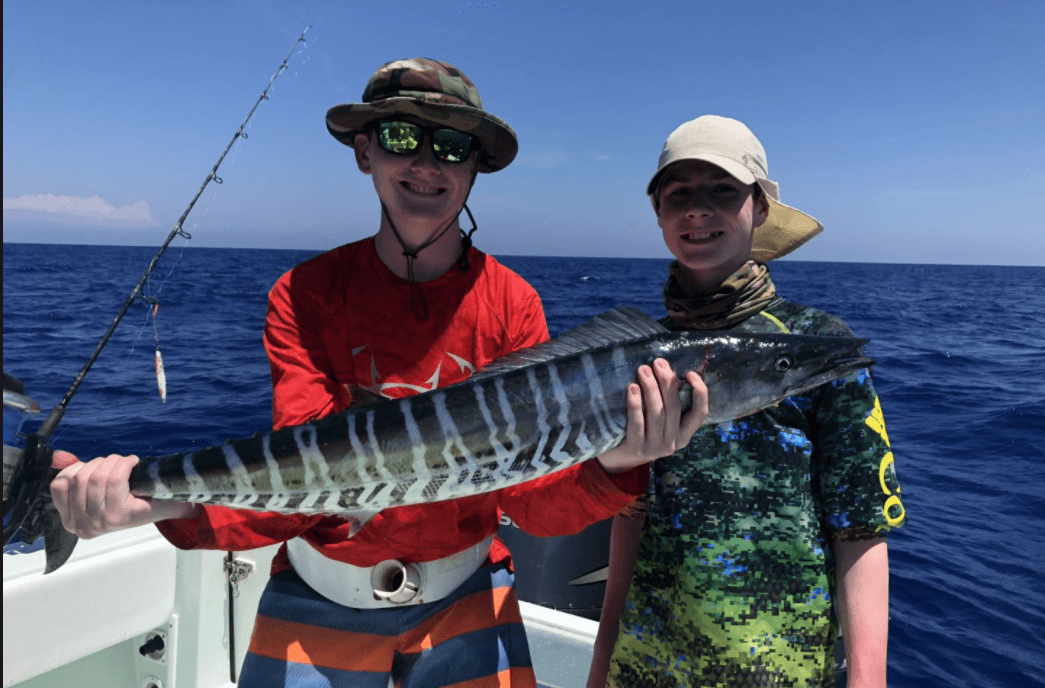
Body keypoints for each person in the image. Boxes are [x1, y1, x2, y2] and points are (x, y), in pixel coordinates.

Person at [48, 58, 707, 688]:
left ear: (475, 166)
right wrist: (163, 503)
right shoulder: (305, 294)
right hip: (317, 597)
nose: (425, 163)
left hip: (469, 600)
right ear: (365, 152)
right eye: (400, 136)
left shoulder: (511, 305)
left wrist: (616, 465)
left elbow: (529, 502)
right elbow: (305, 481)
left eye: (450, 145)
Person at [587, 115, 907, 688]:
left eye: (722, 191)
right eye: (678, 194)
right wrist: (601, 665)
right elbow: (629, 519)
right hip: (644, 667)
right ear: (658, 212)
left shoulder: (820, 346)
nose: (697, 209)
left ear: (758, 209)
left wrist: (868, 681)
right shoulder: (637, 356)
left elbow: (860, 529)